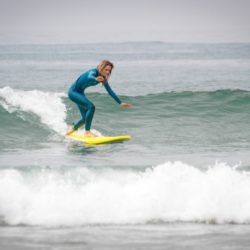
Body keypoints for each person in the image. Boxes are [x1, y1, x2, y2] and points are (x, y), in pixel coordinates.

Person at [66, 60, 132, 137]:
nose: (108, 72)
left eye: (109, 70)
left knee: (85, 119)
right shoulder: (93, 72)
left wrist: (120, 102)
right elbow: (89, 76)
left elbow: (110, 91)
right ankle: (87, 132)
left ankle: (72, 129)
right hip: (73, 92)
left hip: (80, 93)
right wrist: (96, 79)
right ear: (101, 67)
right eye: (106, 69)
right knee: (91, 107)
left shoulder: (103, 78)